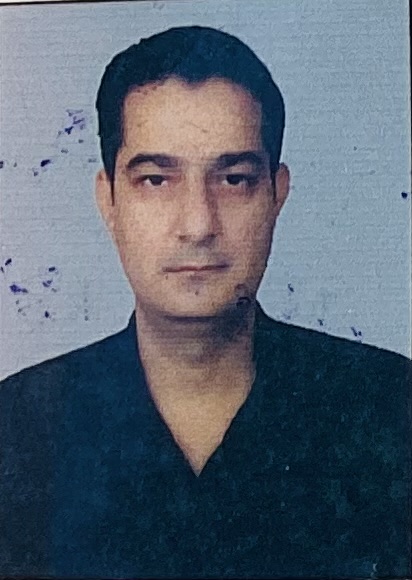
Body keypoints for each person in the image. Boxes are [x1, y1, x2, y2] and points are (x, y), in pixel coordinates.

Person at [0, 25, 410, 580]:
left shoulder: (389, 408)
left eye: (234, 179)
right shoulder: (20, 427)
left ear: (277, 195)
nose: (198, 224)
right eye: (155, 180)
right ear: (109, 200)